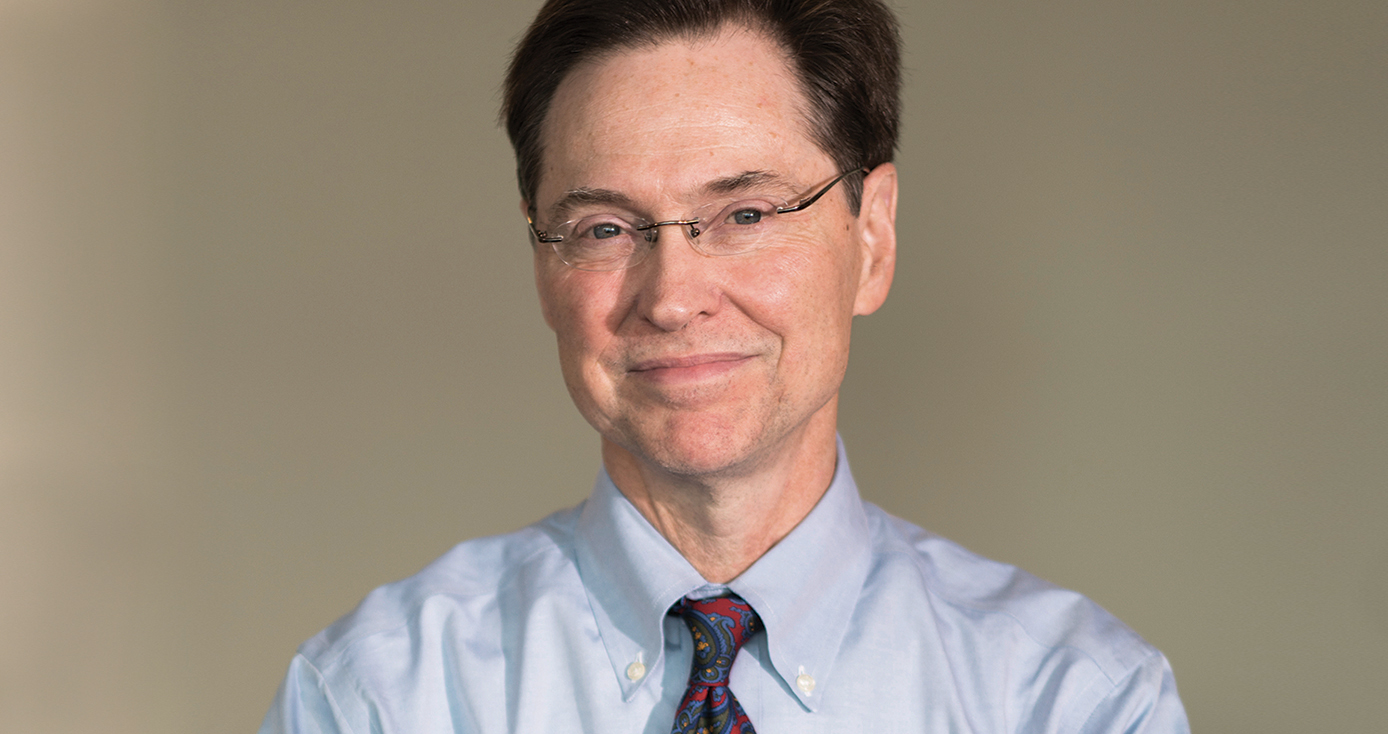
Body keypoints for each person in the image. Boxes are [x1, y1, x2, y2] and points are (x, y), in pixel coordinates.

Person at [259, 1, 1189, 731]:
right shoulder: (380, 699)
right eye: (605, 229)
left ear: (872, 237)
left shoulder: (1072, 703)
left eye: (745, 214)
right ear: (543, 268)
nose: (672, 296)